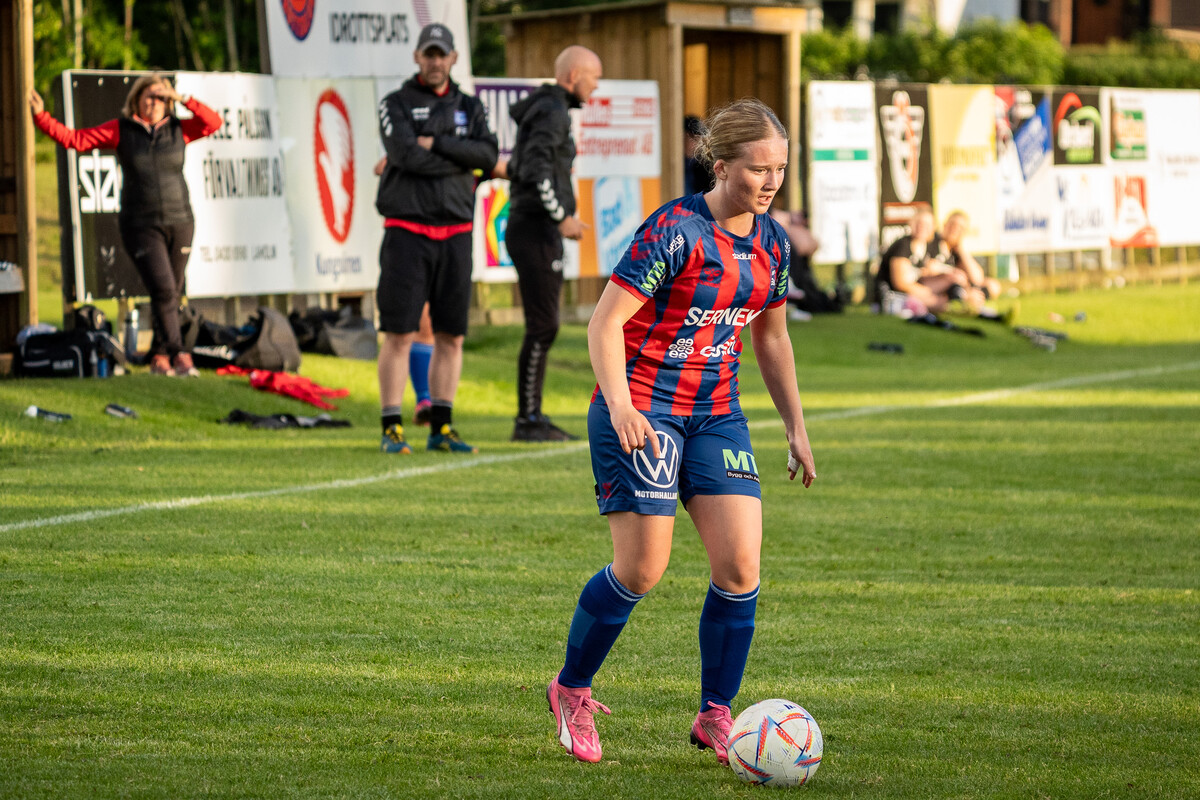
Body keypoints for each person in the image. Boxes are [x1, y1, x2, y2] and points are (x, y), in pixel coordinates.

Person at [545, 99, 817, 765]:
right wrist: (620, 405)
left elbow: (772, 339)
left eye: (780, 169)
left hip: (717, 413)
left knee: (740, 567)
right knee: (642, 568)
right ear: (720, 166)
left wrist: (796, 428)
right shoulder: (674, 231)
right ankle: (571, 688)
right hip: (643, 407)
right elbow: (604, 323)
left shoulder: (773, 244)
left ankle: (716, 714)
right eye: (758, 169)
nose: (772, 182)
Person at [29, 76, 221, 377]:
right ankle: (180, 355)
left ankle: (160, 357)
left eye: (161, 98)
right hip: (141, 224)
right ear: (136, 100)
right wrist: (42, 117)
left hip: (181, 220)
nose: (154, 102)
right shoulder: (121, 129)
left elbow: (213, 123)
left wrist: (183, 97)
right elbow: (74, 140)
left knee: (171, 292)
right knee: (164, 288)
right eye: (149, 96)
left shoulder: (178, 129)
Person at [375, 23, 498, 454]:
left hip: (457, 234)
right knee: (399, 333)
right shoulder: (395, 103)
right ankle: (392, 427)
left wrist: (438, 144)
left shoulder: (470, 106)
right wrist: (460, 160)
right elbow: (405, 155)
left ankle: (441, 428)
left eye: (441, 54)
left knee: (452, 335)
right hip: (407, 233)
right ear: (417, 57)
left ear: (453, 59)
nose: (435, 61)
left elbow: (488, 154)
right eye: (428, 54)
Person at [505, 45, 603, 443]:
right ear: (574, 75)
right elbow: (535, 169)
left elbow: (527, 166)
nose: (596, 86)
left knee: (544, 325)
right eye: (594, 77)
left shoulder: (549, 108)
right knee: (543, 325)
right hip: (535, 230)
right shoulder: (552, 111)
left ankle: (532, 415)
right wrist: (560, 216)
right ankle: (528, 419)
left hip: (533, 228)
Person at [683, 115, 714, 195]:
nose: (695, 144)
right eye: (692, 138)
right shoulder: (677, 165)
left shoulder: (704, 166)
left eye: (698, 139)